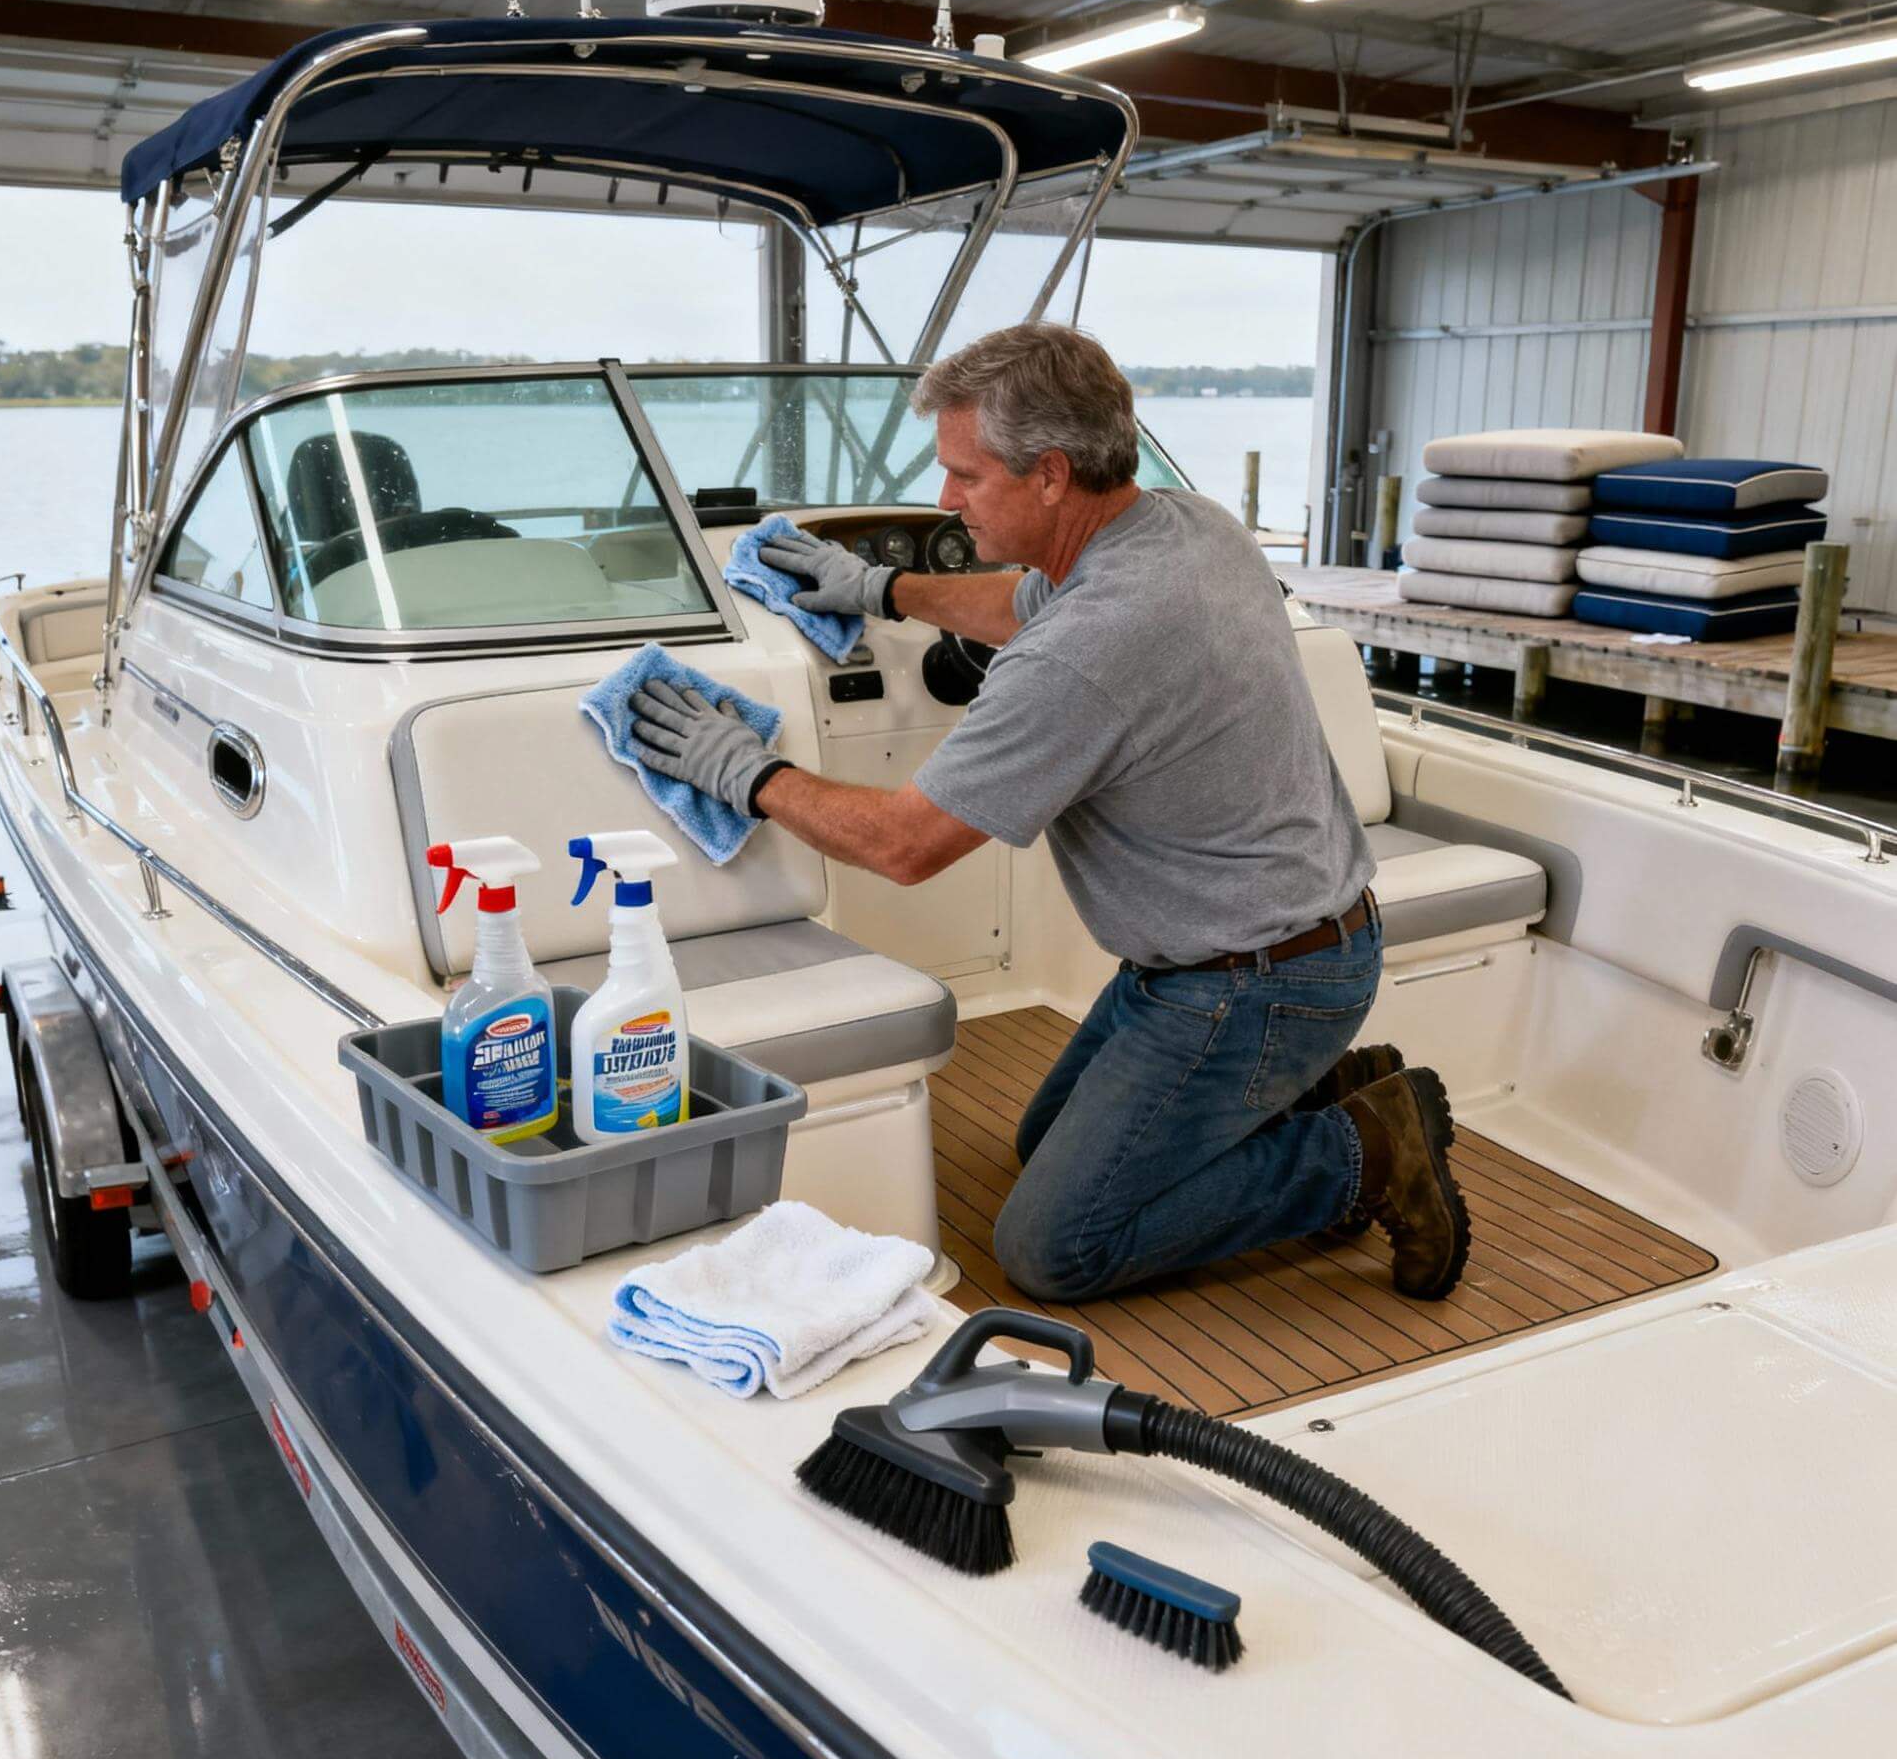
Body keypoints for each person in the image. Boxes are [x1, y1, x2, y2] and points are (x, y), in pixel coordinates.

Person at [629, 322, 1469, 1305]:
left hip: (1251, 983)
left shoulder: (1086, 653)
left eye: (966, 477)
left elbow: (905, 846)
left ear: (1051, 476)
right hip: (1266, 948)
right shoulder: (1187, 525)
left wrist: (744, 769)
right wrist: (880, 588)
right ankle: (1324, 1082)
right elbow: (1025, 602)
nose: (945, 499)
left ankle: (1366, 1149)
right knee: (1040, 1144)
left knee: (1056, 1243)